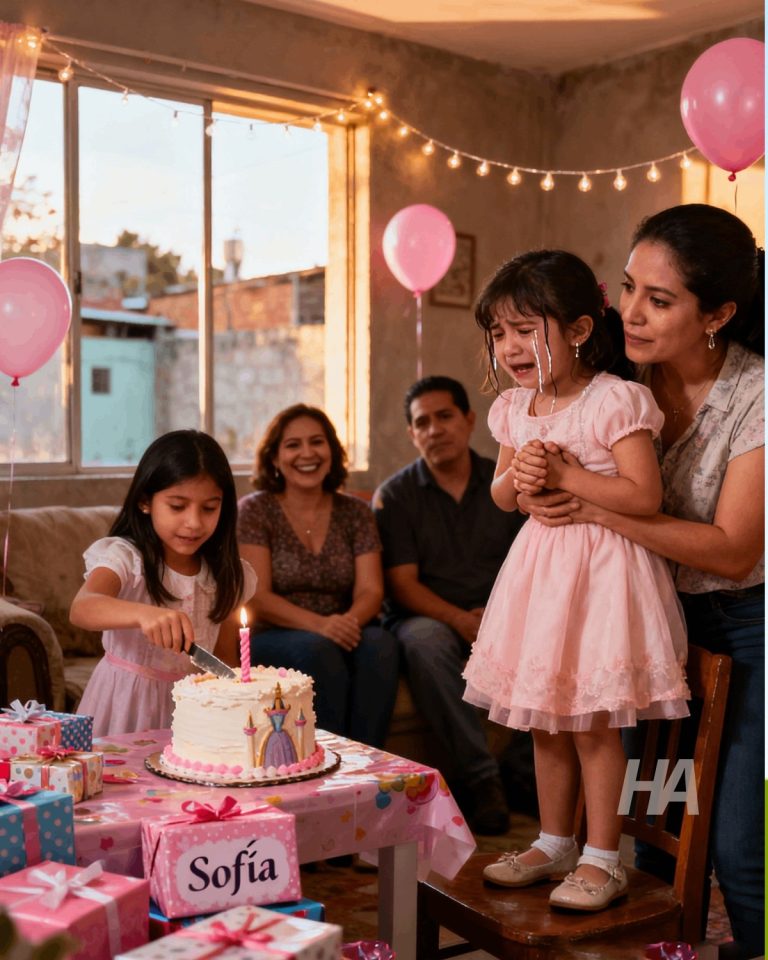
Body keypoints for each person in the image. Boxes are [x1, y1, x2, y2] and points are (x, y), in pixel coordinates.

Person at [520, 206, 764, 957]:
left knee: (736, 851)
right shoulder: (618, 378)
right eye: (627, 288)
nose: (629, 312)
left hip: (750, 637)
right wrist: (535, 485)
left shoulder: (756, 398)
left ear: (718, 313)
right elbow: (547, 468)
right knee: (648, 835)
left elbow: (730, 551)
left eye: (659, 301)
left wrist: (594, 501)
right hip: (650, 630)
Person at [465, 250, 690, 911]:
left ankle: (602, 855)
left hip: (606, 577)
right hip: (540, 579)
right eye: (499, 333)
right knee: (545, 719)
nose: (510, 346)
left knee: (592, 721)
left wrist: (565, 476)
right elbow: (503, 497)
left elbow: (644, 496)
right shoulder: (514, 407)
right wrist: (525, 473)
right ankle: (553, 840)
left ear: (581, 330)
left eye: (525, 329)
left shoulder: (616, 400)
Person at [373, 375, 525, 835]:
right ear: (412, 434)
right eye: (423, 422)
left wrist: (495, 621)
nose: (435, 429)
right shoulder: (396, 495)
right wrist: (460, 619)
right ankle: (482, 781)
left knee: (548, 634)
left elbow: (527, 565)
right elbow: (402, 584)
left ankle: (522, 771)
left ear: (469, 421)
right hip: (427, 616)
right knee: (424, 643)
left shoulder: (504, 484)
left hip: (499, 611)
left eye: (444, 417)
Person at [71, 430, 256, 736]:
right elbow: (82, 607)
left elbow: (224, 659)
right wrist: (144, 614)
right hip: (123, 709)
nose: (194, 522)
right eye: (177, 506)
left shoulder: (228, 575)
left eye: (209, 508)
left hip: (192, 715)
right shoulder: (126, 558)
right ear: (145, 501)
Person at [237, 404, 398, 749]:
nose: (307, 453)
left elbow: (371, 590)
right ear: (274, 457)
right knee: (318, 650)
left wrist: (344, 623)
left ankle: (369, 762)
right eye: (293, 445)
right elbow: (258, 597)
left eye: (317, 442)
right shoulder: (255, 510)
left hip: (344, 627)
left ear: (332, 451)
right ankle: (326, 762)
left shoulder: (355, 512)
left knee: (382, 646)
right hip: (276, 632)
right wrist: (321, 626)